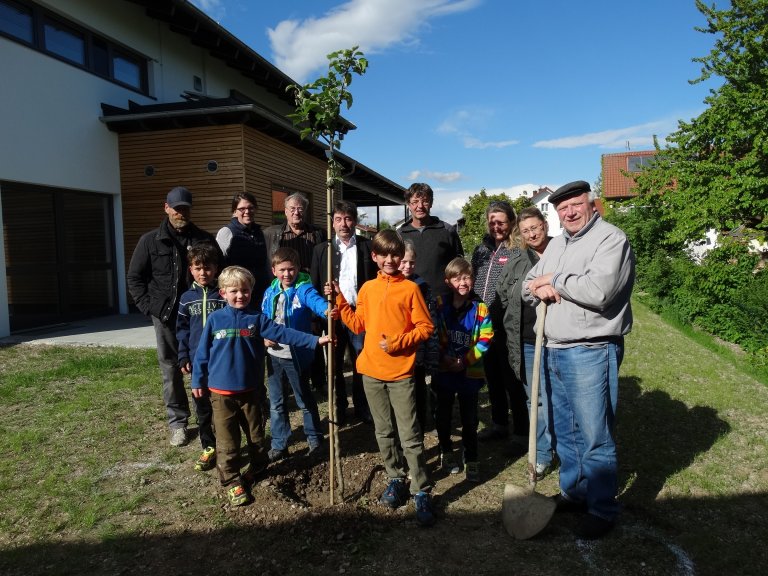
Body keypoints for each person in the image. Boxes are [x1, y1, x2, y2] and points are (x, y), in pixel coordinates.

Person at [523, 180, 635, 539]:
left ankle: (602, 508)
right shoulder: (557, 244)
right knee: (565, 431)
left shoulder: (610, 240)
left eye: (575, 205)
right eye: (562, 208)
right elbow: (528, 284)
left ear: (591, 203)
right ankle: (575, 491)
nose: (569, 212)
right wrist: (543, 284)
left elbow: (598, 291)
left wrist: (555, 280)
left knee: (594, 434)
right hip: (553, 348)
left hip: (590, 349)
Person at [192, 265, 331, 506]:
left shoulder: (257, 319)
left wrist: (315, 340)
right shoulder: (215, 320)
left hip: (251, 392)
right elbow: (202, 354)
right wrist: (197, 380)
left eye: (245, 290)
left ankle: (257, 468)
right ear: (223, 293)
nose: (240, 295)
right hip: (221, 394)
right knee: (227, 442)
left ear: (251, 292)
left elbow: (284, 333)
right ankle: (232, 480)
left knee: (256, 438)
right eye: (234, 291)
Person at [332, 229, 436, 526]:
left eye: (395, 254)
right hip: (371, 372)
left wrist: (398, 343)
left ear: (401, 256)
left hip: (401, 372)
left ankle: (421, 489)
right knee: (383, 431)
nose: (390, 259)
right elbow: (356, 323)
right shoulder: (367, 289)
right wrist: (339, 299)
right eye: (384, 254)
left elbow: (425, 328)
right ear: (374, 256)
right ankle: (395, 478)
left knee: (410, 434)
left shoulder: (410, 290)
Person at [127, 186, 218, 447]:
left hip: (198, 314)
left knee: (205, 364)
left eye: (185, 208)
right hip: (165, 316)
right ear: (166, 207)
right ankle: (178, 422)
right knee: (171, 369)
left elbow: (218, 272)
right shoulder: (150, 241)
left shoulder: (204, 239)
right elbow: (135, 278)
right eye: (176, 208)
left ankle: (210, 415)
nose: (181, 212)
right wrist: (149, 307)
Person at [496, 207, 557, 480]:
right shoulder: (518, 260)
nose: (532, 233)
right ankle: (542, 454)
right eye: (526, 230)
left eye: (536, 227)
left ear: (545, 224)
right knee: (537, 399)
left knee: (563, 399)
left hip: (559, 339)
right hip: (529, 341)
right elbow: (503, 295)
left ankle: (567, 451)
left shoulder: (563, 252)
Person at [261, 247, 336, 461]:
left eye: (291, 269)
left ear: (297, 270)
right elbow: (264, 317)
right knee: (277, 402)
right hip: (274, 355)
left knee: (304, 399)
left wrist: (326, 310)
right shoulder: (270, 291)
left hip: (296, 357)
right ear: (274, 270)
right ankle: (279, 444)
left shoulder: (303, 288)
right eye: (282, 270)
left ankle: (314, 439)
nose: (287, 274)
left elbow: (314, 300)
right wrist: (264, 335)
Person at [310, 200, 377, 425]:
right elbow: (315, 284)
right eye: (338, 219)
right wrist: (324, 296)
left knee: (361, 362)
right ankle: (339, 406)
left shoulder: (368, 247)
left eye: (348, 219)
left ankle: (362, 405)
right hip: (335, 315)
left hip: (360, 314)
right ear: (332, 222)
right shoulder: (323, 250)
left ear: (355, 221)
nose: (343, 224)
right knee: (336, 364)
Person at [471, 201, 529, 450]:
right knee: (491, 374)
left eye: (501, 222)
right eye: (492, 222)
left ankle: (521, 432)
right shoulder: (481, 249)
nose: (496, 227)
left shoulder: (519, 250)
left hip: (507, 322)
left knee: (512, 378)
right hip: (483, 322)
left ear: (511, 222)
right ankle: (499, 424)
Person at [433, 258, 493, 482]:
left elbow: (486, 337)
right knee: (444, 414)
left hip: (470, 374)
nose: (462, 282)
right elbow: (432, 333)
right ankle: (446, 451)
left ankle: (472, 457)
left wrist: (465, 360)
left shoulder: (480, 308)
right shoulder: (439, 305)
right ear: (448, 281)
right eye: (457, 278)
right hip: (444, 370)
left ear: (473, 280)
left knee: (470, 418)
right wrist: (444, 358)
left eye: (466, 277)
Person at [265, 192, 328, 392]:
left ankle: (318, 381)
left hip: (309, 289)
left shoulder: (318, 233)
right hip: (286, 290)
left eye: (300, 208)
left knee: (313, 331)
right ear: (285, 211)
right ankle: (288, 382)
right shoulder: (274, 234)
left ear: (305, 211)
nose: (296, 212)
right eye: (292, 208)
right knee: (287, 331)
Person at [176, 243, 227, 471]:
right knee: (202, 407)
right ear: (191, 270)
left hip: (222, 360)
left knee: (223, 406)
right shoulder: (187, 298)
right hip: (198, 361)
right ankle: (208, 446)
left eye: (207, 268)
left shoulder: (223, 294)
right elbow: (182, 330)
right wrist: (183, 356)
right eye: (198, 268)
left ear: (216, 269)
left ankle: (227, 446)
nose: (203, 272)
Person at [399, 240, 439, 434]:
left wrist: (431, 352)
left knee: (418, 389)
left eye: (411, 262)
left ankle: (421, 426)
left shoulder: (422, 286)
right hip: (397, 349)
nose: (407, 266)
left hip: (418, 349)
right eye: (404, 262)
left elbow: (430, 319)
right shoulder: (388, 284)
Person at [399, 182, 464, 300]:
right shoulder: (400, 235)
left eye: (425, 201)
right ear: (408, 204)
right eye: (415, 202)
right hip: (408, 299)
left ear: (431, 203)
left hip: (444, 301)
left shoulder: (447, 231)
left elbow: (459, 266)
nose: (420, 206)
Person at [215, 192, 271, 300]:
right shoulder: (227, 232)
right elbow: (219, 265)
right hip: (239, 295)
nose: (247, 212)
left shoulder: (259, 233)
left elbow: (265, 263)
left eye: (251, 208)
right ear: (234, 211)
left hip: (261, 292)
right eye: (242, 209)